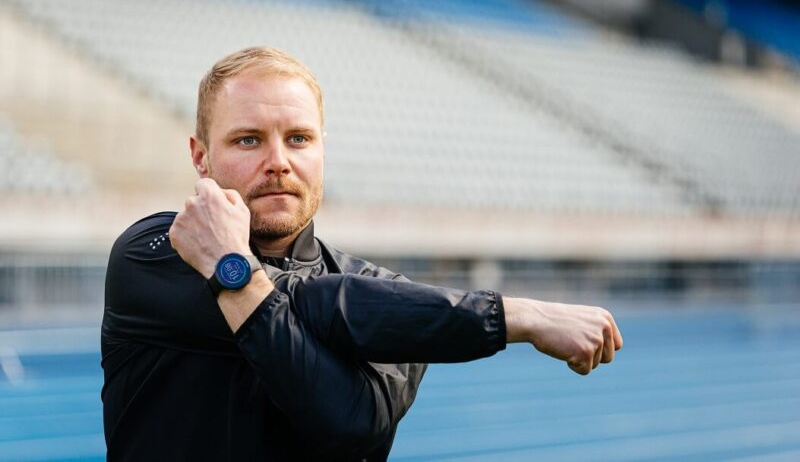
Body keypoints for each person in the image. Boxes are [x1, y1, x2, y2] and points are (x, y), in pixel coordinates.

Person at [101, 47, 623, 461]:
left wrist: (227, 275)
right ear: (201, 156)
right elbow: (323, 306)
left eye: (299, 138)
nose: (278, 161)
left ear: (322, 149)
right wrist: (515, 315)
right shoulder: (152, 253)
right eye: (248, 140)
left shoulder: (384, 295)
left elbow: (350, 423)